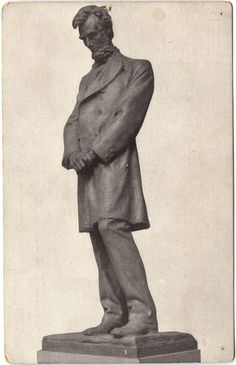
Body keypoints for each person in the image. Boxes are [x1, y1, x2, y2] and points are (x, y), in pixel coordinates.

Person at [62, 5, 158, 337]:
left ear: (108, 29)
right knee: (98, 234)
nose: (90, 42)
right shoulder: (87, 79)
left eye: (94, 34)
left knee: (112, 225)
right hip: (87, 168)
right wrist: (73, 151)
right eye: (84, 38)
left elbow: (127, 117)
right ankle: (114, 311)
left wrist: (94, 151)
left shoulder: (137, 69)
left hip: (113, 162)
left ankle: (141, 313)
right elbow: (73, 120)